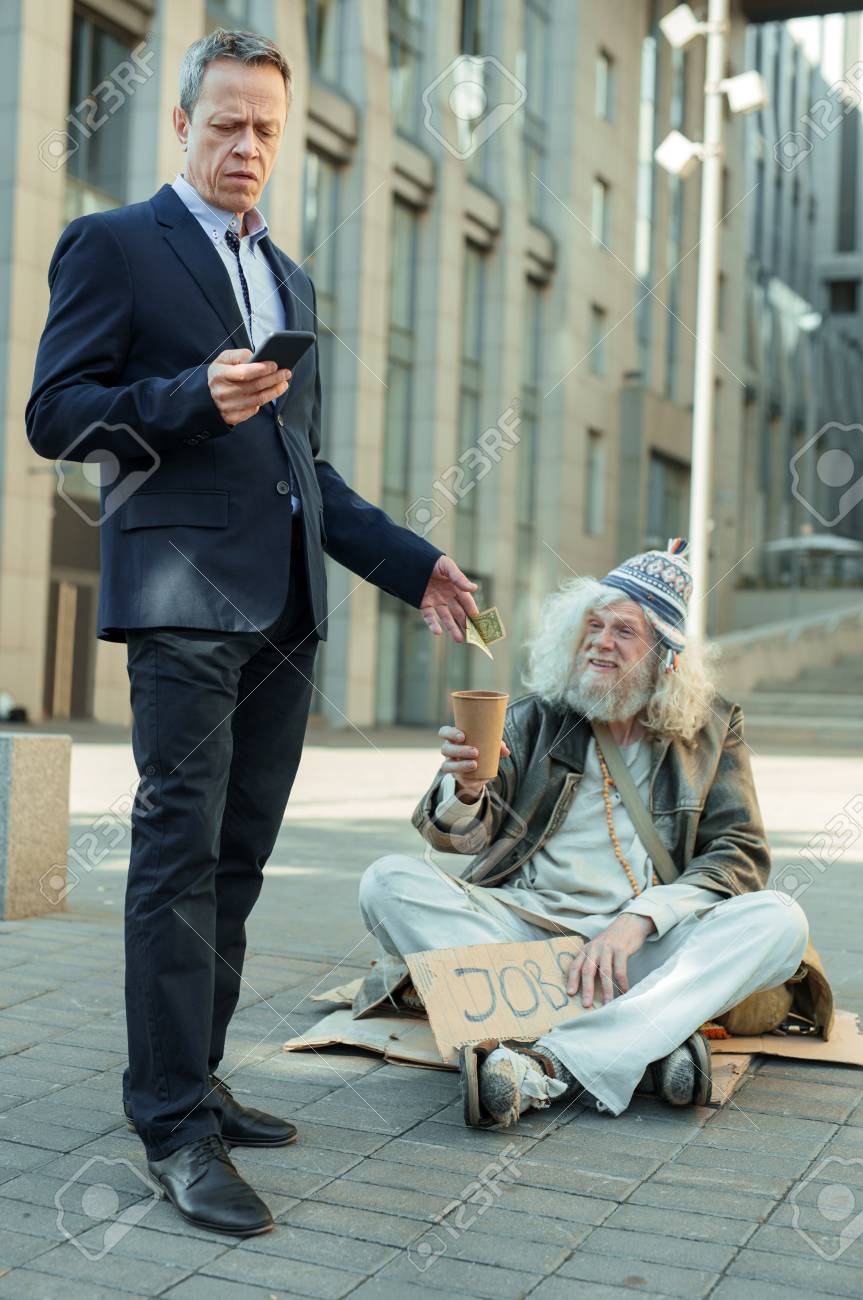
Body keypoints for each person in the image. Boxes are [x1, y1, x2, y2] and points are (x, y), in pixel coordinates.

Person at [26, 29, 478, 1236]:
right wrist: (185, 398)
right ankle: (169, 1122)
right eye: (225, 123)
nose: (246, 147)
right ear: (183, 120)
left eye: (266, 130)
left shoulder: (290, 277)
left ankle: (198, 1075)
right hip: (178, 602)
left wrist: (410, 560)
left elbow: (304, 469)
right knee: (175, 859)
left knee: (237, 861)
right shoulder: (116, 243)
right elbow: (54, 415)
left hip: (284, 609)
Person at [358, 541, 810, 1128]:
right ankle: (639, 1044)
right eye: (593, 625)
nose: (600, 641)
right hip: (523, 941)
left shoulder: (712, 728)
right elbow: (463, 841)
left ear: (664, 655)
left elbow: (740, 854)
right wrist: (467, 791)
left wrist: (641, 920)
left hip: (641, 952)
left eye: (624, 631)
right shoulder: (534, 716)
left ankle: (545, 1055)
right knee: (385, 882)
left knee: (779, 920)